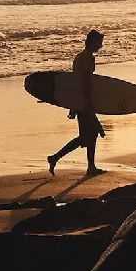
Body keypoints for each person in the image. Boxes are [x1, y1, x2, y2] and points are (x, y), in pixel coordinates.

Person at [47, 29, 107, 178]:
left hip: (78, 100)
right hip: (83, 100)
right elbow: (85, 83)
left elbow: (75, 82)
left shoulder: (79, 57)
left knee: (87, 136)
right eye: (100, 43)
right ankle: (87, 166)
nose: (101, 46)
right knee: (89, 135)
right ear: (93, 42)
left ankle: (57, 158)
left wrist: (73, 104)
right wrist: (87, 102)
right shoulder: (88, 58)